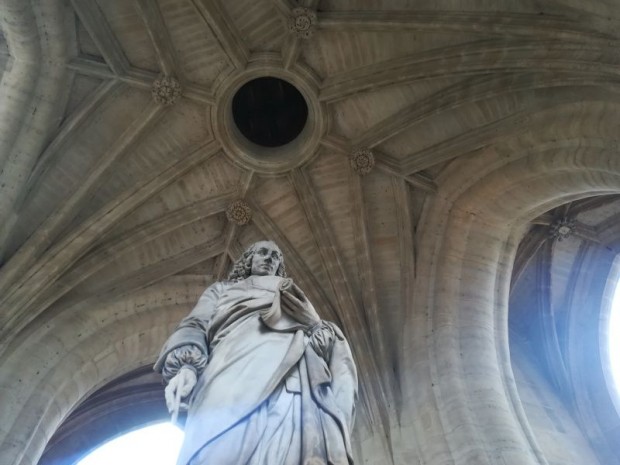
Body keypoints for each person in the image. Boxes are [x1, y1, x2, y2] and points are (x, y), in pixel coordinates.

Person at [154, 240, 358, 465]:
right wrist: (187, 366)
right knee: (216, 446)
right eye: (263, 252)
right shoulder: (221, 290)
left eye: (276, 256)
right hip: (228, 366)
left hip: (289, 372)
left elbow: (321, 343)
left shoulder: (290, 292)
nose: (270, 258)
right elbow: (195, 324)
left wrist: (316, 326)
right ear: (249, 259)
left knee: (287, 445)